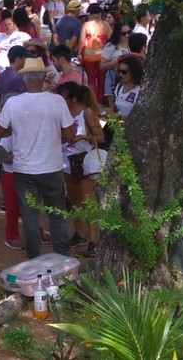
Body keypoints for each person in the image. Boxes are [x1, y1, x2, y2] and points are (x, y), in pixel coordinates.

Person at [0, 57, 76, 258]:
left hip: (24, 168)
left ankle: (34, 257)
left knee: (30, 214)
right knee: (56, 213)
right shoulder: (56, 101)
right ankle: (62, 255)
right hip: (52, 165)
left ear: (25, 79)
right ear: (43, 77)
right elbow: (71, 133)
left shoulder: (13, 103)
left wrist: (18, 130)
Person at [58, 81, 104, 257]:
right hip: (66, 161)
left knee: (88, 202)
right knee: (75, 200)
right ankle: (80, 233)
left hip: (83, 161)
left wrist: (83, 137)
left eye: (64, 98)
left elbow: (100, 136)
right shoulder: (63, 113)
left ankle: (94, 240)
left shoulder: (87, 113)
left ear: (74, 99)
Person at [78, 3, 111, 103]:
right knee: (102, 77)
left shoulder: (86, 25)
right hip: (102, 54)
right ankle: (101, 97)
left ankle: (92, 99)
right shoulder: (106, 25)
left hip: (89, 55)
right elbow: (110, 39)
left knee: (91, 78)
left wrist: (79, 53)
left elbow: (82, 41)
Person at [112, 56, 143, 120]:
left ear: (133, 72)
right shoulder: (119, 87)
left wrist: (120, 118)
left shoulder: (140, 91)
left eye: (124, 72)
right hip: (118, 126)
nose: (121, 74)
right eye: (119, 71)